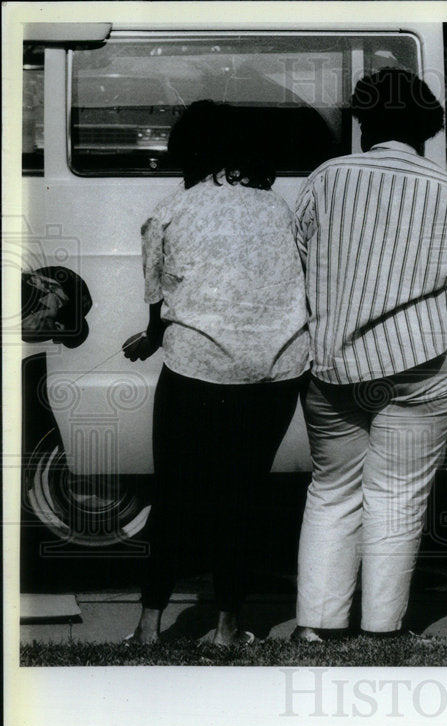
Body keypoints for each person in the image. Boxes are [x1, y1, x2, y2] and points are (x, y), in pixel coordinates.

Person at [292, 69, 447, 640]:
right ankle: (381, 629)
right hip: (423, 359)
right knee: (397, 495)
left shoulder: (326, 177)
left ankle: (317, 625)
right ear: (427, 127)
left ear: (363, 122)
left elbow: (298, 260)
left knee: (332, 488)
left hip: (333, 364)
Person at [124, 100, 310, 645]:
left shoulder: (171, 210)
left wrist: (151, 338)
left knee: (176, 494)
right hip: (275, 372)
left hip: (196, 369)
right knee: (242, 498)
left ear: (190, 149)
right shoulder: (280, 209)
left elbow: (160, 301)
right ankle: (228, 628)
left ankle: (148, 624)